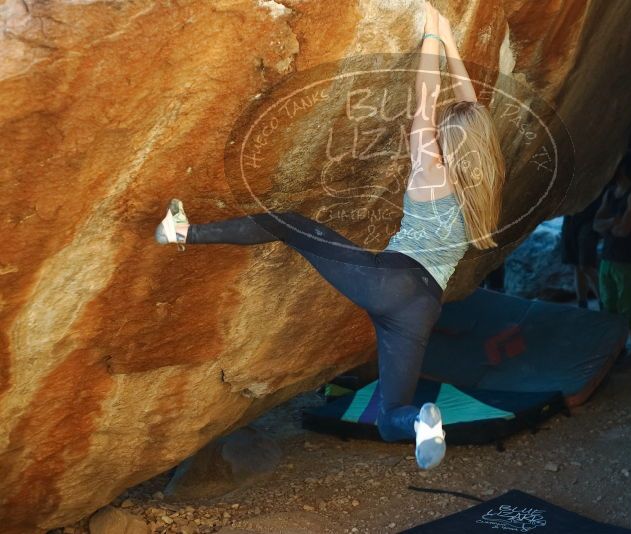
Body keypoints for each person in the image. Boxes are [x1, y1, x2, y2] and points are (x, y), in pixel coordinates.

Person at [154, 2, 505, 471]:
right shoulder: (482, 181)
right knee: (388, 419)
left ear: (448, 143)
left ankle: (182, 231)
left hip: (393, 280)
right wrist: (449, 41)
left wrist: (433, 41)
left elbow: (428, 95)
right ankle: (421, 422)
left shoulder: (430, 168)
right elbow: (469, 109)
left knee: (288, 222)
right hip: (423, 306)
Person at [593, 152, 631, 367]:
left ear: (623, 169)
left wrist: (610, 224)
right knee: (608, 304)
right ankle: (618, 350)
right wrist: (614, 222)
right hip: (608, 257)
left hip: (628, 260)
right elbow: (596, 225)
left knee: (629, 306)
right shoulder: (611, 193)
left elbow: (623, 230)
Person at [561, 194, 602, 308]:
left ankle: (605, 302)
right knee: (577, 266)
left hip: (589, 217)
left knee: (586, 265)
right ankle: (582, 305)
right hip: (571, 218)